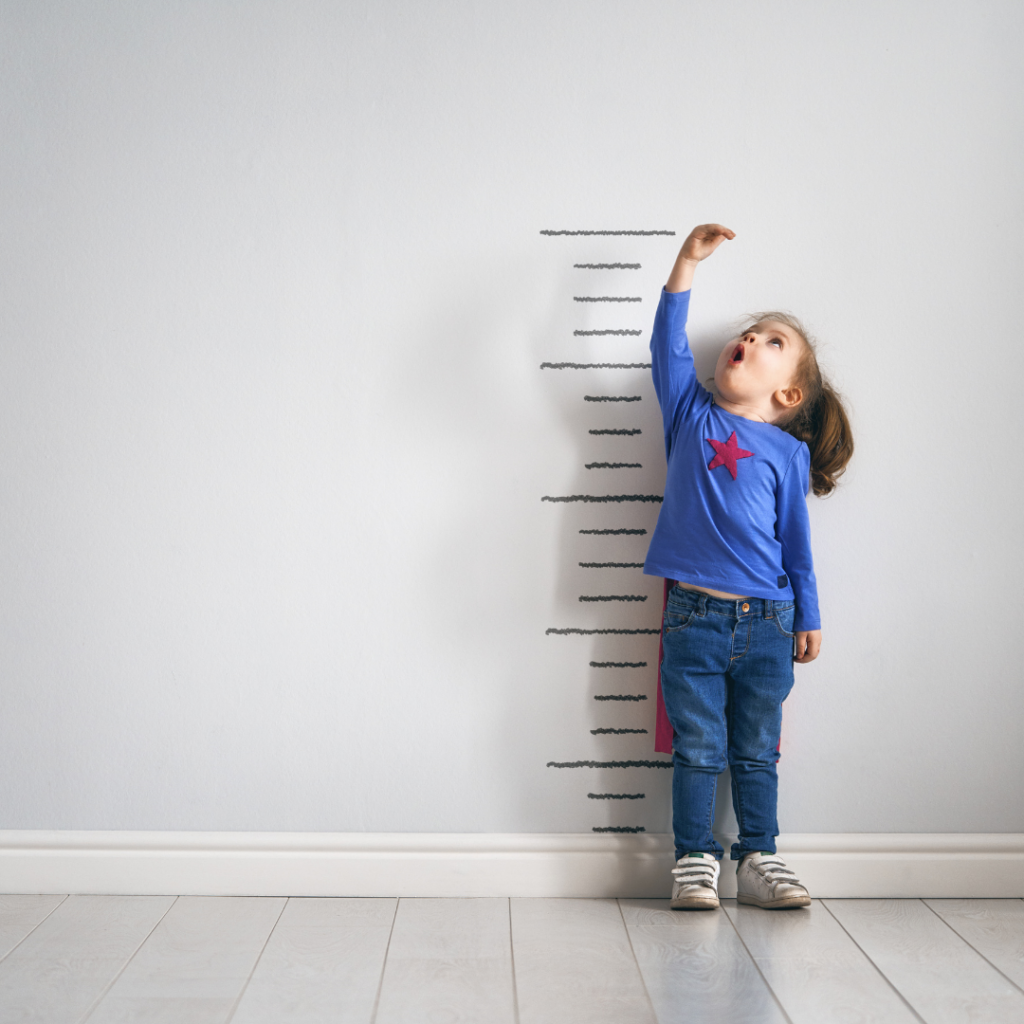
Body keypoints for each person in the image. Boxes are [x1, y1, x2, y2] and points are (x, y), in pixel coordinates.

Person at [643, 223, 853, 910]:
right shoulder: (690, 415)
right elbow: (667, 347)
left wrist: (810, 616)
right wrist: (686, 263)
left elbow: (797, 547)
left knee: (757, 750)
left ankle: (759, 854)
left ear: (788, 396)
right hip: (693, 619)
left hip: (769, 621)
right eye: (752, 332)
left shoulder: (787, 456)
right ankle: (693, 860)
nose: (753, 340)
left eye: (773, 342)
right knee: (699, 748)